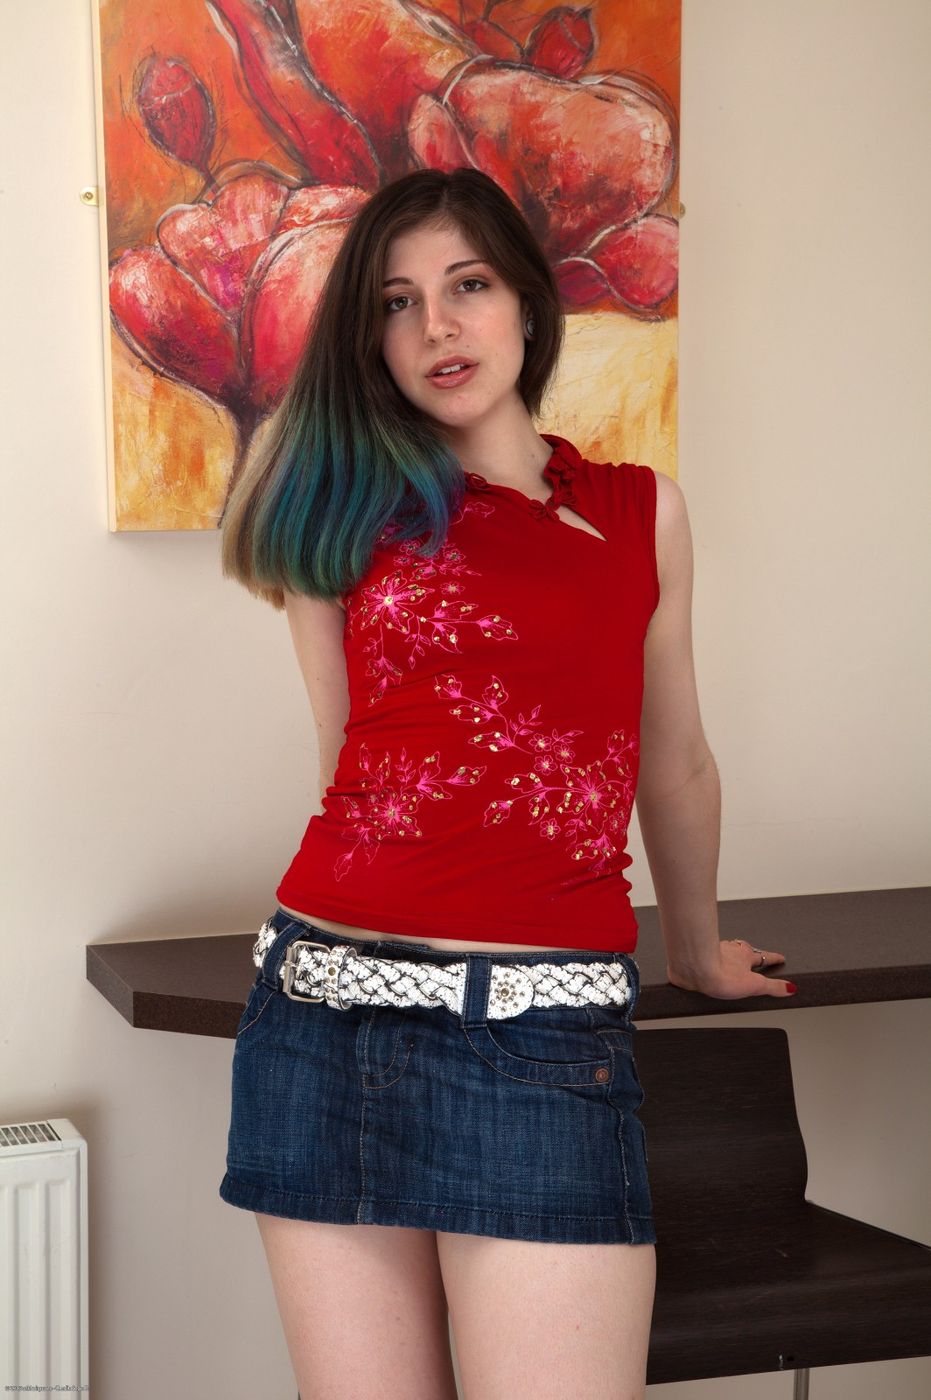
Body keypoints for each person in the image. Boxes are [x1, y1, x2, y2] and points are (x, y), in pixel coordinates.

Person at [217, 167, 796, 1400]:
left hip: (541, 1037)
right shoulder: (339, 505)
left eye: (467, 285)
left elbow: (675, 758)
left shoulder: (641, 513)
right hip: (320, 1015)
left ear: (528, 303)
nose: (436, 325)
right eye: (396, 302)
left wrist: (695, 947)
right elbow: (346, 756)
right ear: (371, 338)